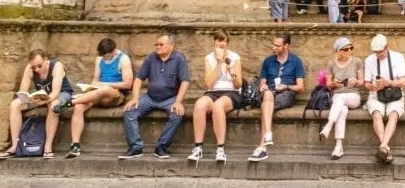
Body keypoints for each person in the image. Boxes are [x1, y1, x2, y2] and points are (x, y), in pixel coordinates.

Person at [118, 34, 189, 160]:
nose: (157, 47)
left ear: (171, 46)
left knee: (177, 114)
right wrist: (135, 98)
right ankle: (136, 147)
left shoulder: (179, 58)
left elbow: (185, 81)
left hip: (170, 98)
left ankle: (161, 147)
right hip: (150, 98)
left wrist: (178, 101)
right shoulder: (151, 57)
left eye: (161, 44)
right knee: (130, 111)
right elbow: (139, 78)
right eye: (156, 44)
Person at [59, 38, 133, 158]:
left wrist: (105, 85)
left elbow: (128, 84)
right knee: (79, 107)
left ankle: (70, 102)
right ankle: (75, 146)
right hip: (98, 94)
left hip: (115, 95)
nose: (105, 58)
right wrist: (92, 87)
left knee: (104, 89)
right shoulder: (99, 59)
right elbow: (95, 80)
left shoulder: (123, 59)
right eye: (103, 56)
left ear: (113, 50)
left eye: (107, 56)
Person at [0, 49, 74, 160]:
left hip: (61, 94)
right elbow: (23, 91)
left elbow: (55, 92)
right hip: (41, 97)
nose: (37, 69)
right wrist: (28, 99)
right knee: (14, 105)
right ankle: (15, 146)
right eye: (34, 67)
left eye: (39, 66)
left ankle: (48, 146)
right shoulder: (29, 68)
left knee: (53, 106)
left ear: (46, 59)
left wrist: (44, 101)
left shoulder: (56, 66)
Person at [188, 30, 243, 163]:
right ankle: (198, 147)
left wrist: (232, 73)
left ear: (227, 43)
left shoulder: (235, 57)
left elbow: (238, 84)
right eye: (219, 40)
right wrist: (219, 63)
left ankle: (220, 149)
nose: (221, 43)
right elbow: (209, 84)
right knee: (199, 105)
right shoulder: (209, 58)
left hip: (231, 92)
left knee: (218, 106)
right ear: (215, 42)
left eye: (224, 41)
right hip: (214, 91)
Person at [249, 32, 305, 161]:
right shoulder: (268, 61)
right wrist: (262, 87)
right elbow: (263, 82)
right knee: (267, 95)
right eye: (273, 44)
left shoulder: (295, 61)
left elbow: (300, 87)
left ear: (286, 46)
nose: (273, 47)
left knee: (266, 105)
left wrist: (286, 86)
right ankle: (266, 138)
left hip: (286, 93)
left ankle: (263, 145)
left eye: (277, 45)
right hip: (269, 92)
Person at [364, 33, 405, 164]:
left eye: (380, 51)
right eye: (375, 52)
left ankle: (383, 146)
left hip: (394, 93)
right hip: (376, 95)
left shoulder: (398, 57)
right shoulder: (369, 60)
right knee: (376, 114)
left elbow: (403, 82)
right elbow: (366, 84)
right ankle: (384, 147)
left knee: (393, 114)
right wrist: (373, 87)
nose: (378, 55)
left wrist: (388, 83)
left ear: (387, 47)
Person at [320, 36, 363, 159]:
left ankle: (328, 125)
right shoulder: (331, 64)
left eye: (351, 48)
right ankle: (338, 146)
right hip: (338, 97)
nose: (350, 51)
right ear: (338, 51)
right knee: (342, 110)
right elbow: (328, 84)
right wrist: (334, 84)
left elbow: (362, 82)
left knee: (341, 99)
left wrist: (356, 81)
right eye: (346, 49)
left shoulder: (357, 61)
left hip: (353, 96)